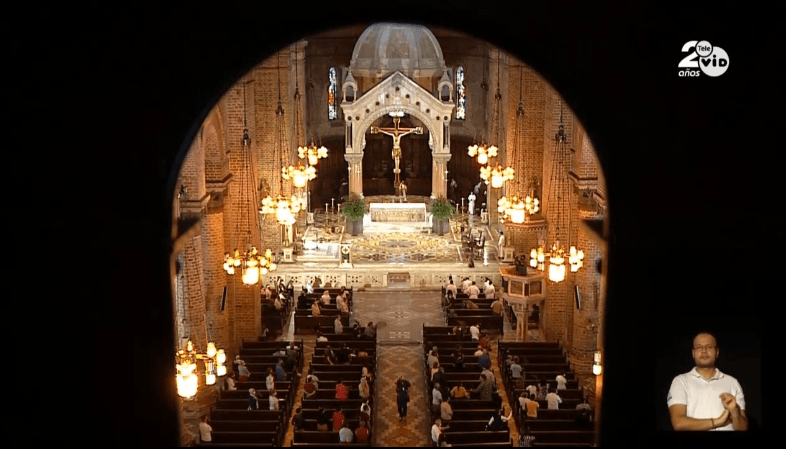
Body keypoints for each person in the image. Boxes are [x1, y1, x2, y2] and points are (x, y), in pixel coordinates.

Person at [667, 332, 748, 431]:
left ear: (717, 352)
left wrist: (735, 411)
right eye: (699, 347)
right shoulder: (680, 381)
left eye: (709, 347)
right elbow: (678, 424)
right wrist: (718, 421)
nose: (704, 351)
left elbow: (743, 428)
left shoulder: (733, 382)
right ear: (693, 353)